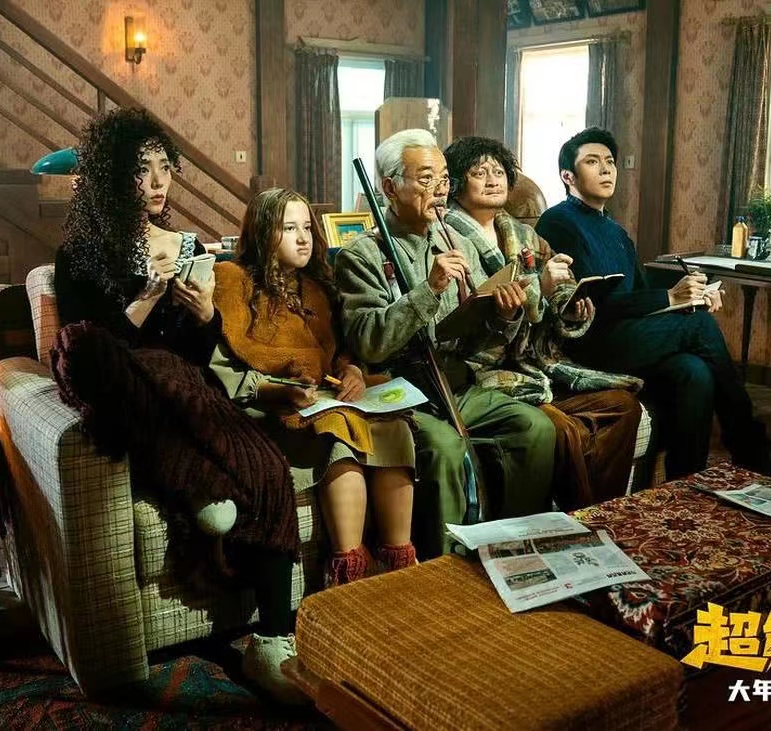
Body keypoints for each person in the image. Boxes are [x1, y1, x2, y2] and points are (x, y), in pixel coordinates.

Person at [51, 108, 302, 703]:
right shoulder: (79, 254)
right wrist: (145, 298)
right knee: (87, 347)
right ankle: (200, 485)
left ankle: (273, 639)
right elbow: (95, 354)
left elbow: (194, 355)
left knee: (267, 463)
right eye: (143, 170)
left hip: (185, 389)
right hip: (129, 391)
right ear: (113, 176)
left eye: (165, 167)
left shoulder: (185, 245)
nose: (159, 181)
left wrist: (205, 313)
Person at [535, 127, 771, 486]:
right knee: (700, 326)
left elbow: (639, 297)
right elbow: (594, 301)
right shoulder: (558, 222)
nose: (607, 169)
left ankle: (685, 483)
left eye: (610, 162)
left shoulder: (616, 231)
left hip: (627, 337)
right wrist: (671, 298)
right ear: (568, 176)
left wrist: (690, 300)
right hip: (589, 341)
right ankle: (751, 447)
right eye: (593, 162)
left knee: (695, 370)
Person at [333, 128, 556, 558]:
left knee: (534, 428)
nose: (439, 190)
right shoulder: (360, 255)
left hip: (457, 382)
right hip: (400, 390)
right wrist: (430, 289)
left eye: (443, 180)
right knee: (445, 447)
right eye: (426, 179)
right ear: (390, 188)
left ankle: (515, 548)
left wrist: (504, 315)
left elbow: (476, 340)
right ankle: (445, 567)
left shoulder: (457, 241)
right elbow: (368, 340)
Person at [209, 188, 417, 586]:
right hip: (271, 407)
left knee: (394, 426)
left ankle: (398, 566)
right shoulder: (233, 282)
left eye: (307, 227)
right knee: (337, 430)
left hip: (322, 397)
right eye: (289, 228)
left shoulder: (317, 290)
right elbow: (225, 372)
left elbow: (337, 353)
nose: (303, 238)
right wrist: (276, 391)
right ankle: (349, 571)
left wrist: (352, 370)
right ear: (263, 232)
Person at [443, 136, 644, 508]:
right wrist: (539, 287)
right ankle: (579, 520)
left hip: (537, 364)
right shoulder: (447, 240)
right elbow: (463, 323)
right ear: (455, 182)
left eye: (499, 171)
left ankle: (604, 511)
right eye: (479, 173)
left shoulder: (523, 235)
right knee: (562, 430)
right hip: (484, 372)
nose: (492, 180)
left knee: (624, 406)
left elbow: (558, 291)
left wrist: (569, 307)